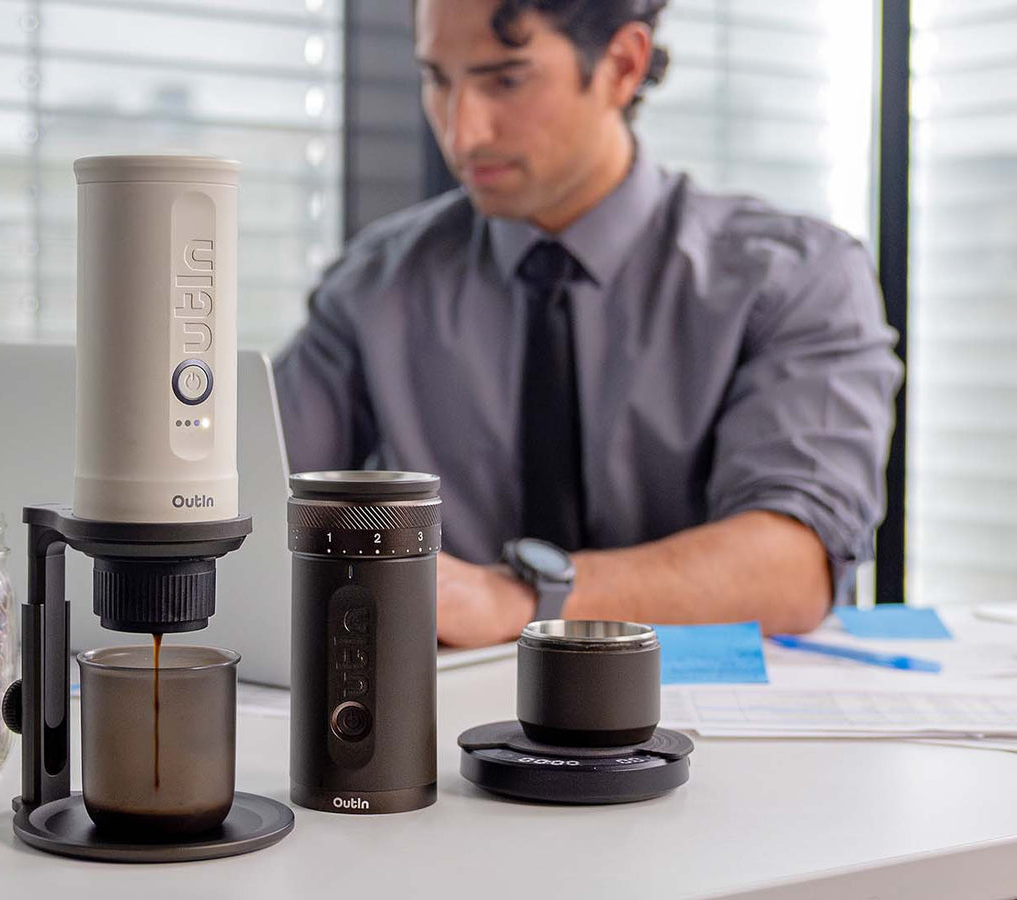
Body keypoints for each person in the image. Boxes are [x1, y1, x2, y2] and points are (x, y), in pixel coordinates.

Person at [273, 0, 903, 647]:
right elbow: (259, 501)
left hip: (701, 701)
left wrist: (516, 598)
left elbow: (792, 566)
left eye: (506, 79)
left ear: (622, 65)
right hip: (448, 698)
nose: (461, 132)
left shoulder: (797, 276)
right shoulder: (374, 284)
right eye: (438, 78)